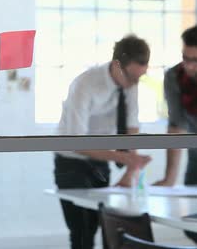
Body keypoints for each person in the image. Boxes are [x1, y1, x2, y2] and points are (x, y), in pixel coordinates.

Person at [54, 35, 153, 249]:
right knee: (82, 232)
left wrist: (130, 169)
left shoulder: (130, 82)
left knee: (108, 225)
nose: (135, 84)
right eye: (132, 77)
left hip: (101, 161)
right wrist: (125, 158)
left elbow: (131, 125)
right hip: (71, 163)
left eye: (140, 78)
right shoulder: (85, 84)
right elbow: (77, 142)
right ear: (117, 65)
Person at [155, 24, 197, 248]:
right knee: (192, 225)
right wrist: (169, 178)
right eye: (186, 58)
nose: (190, 66)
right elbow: (176, 127)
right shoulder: (174, 76)